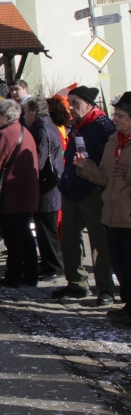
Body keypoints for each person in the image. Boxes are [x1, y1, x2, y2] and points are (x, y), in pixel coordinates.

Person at [53, 86, 117, 305]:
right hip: (71, 188)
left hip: (93, 190)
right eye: (69, 102)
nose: (70, 107)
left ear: (89, 104)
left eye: (75, 103)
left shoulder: (103, 125)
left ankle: (105, 288)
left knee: (99, 243)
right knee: (69, 238)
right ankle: (76, 283)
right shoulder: (76, 124)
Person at [74, 92, 131, 326]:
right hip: (112, 215)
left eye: (119, 115)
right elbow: (106, 178)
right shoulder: (114, 142)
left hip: (128, 217)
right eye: (115, 114)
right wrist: (85, 167)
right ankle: (128, 306)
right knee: (121, 266)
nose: (114, 118)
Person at [0, 99, 40, 288]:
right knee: (25, 235)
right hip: (27, 191)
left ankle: (13, 276)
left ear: (5, 117)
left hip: (10, 194)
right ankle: (31, 275)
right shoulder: (25, 131)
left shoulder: (4, 134)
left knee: (13, 237)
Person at [24, 97, 65, 281]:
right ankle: (48, 262)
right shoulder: (47, 127)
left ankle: (54, 265)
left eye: (26, 112)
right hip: (48, 184)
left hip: (48, 186)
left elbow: (40, 160)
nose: (25, 116)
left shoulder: (43, 129)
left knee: (47, 229)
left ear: (33, 113)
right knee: (43, 227)